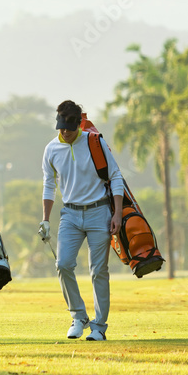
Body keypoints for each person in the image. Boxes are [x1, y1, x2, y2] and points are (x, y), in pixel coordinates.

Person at [39, 100, 124, 341]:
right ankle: (78, 316)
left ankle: (99, 327)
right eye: (60, 126)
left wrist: (117, 214)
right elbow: (48, 184)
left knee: (98, 271)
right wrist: (45, 219)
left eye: (69, 127)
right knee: (63, 264)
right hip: (70, 214)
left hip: (99, 213)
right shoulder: (51, 149)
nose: (64, 132)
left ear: (79, 123)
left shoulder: (94, 142)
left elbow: (115, 176)